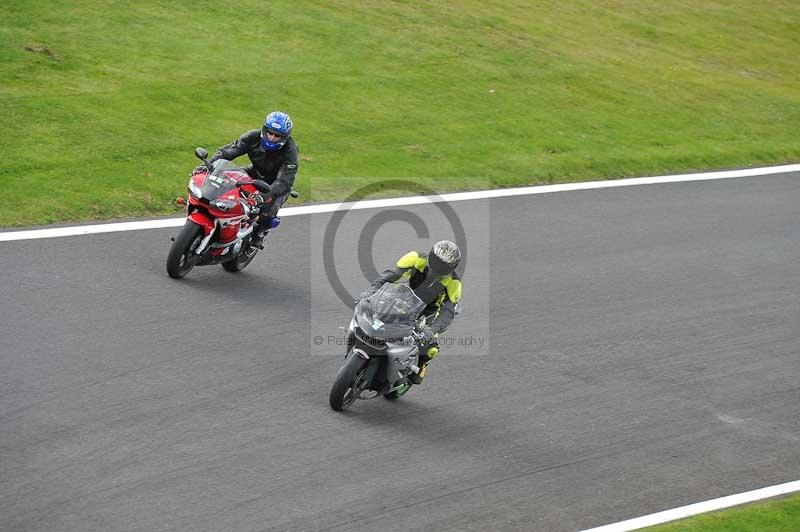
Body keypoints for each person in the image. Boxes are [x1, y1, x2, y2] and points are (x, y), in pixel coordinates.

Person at [361, 240, 462, 384]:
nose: (436, 268)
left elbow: (448, 313)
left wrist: (431, 330)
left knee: (430, 348)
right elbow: (391, 275)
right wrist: (371, 291)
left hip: (429, 311)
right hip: (405, 295)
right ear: (431, 255)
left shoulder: (454, 282)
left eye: (443, 266)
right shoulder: (416, 258)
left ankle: (422, 365)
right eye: (436, 262)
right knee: (377, 313)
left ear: (451, 267)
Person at [209, 111, 299, 248]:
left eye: (277, 135)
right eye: (270, 133)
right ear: (264, 129)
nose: (272, 137)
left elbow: (284, 181)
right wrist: (210, 165)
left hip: (276, 184)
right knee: (225, 180)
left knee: (267, 212)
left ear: (284, 137)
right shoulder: (252, 137)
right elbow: (228, 151)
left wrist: (263, 197)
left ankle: (261, 232)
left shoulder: (290, 152)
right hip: (255, 171)